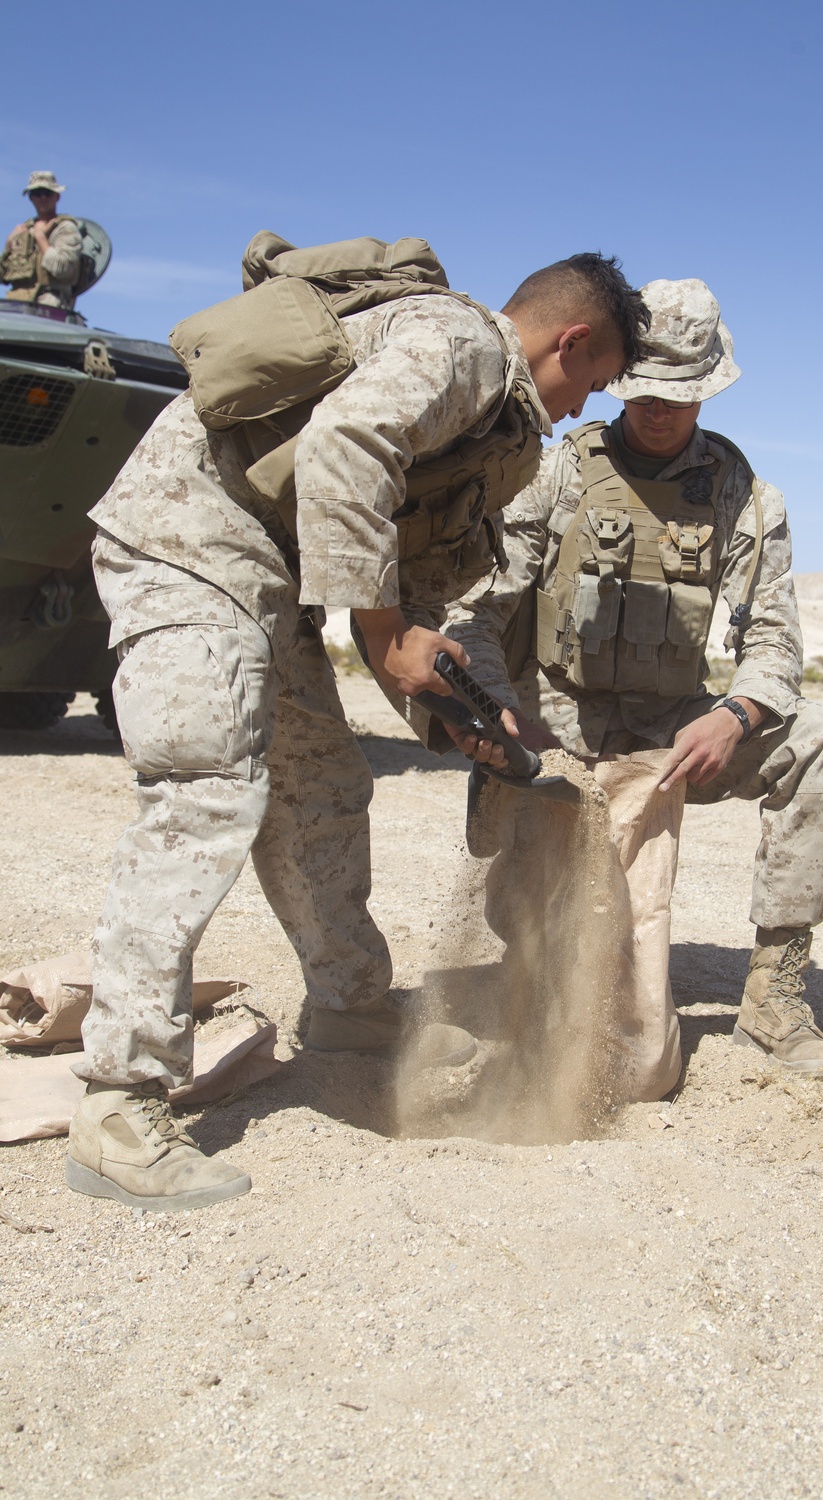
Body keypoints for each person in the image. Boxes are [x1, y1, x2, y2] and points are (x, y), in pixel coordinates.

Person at [65, 243, 649, 1211]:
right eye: (590, 381)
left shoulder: (490, 434)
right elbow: (343, 452)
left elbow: (417, 596)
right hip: (188, 534)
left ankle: (349, 1009)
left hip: (264, 575)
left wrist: (465, 713)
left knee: (322, 788)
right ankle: (119, 1104)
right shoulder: (463, 346)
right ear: (571, 339)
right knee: (210, 786)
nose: (582, 407)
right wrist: (383, 638)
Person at [443, 278, 823, 1102]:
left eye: (680, 396)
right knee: (544, 948)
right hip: (559, 723)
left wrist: (736, 716)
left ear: (706, 388)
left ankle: (774, 995)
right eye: (645, 392)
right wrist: (503, 714)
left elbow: (774, 642)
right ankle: (531, 962)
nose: (659, 411)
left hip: (677, 728)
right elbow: (477, 613)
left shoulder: (745, 496)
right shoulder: (557, 471)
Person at [1, 171, 83, 310]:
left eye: (47, 193)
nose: (43, 198)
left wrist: (40, 238)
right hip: (16, 301)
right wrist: (8, 243)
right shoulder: (22, 231)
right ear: (31, 197)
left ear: (57, 196)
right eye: (37, 193)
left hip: (51, 301)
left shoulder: (65, 228)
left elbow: (62, 269)